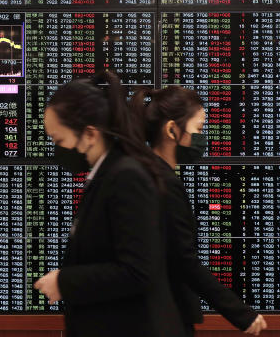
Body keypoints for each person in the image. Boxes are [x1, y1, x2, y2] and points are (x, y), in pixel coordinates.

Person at [34, 71, 184, 337]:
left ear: (90, 134)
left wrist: (64, 282)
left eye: (59, 140)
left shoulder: (126, 176)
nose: (58, 150)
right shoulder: (107, 175)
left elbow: (137, 270)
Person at [130, 85, 268, 336]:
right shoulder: (162, 182)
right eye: (199, 129)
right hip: (163, 319)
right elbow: (183, 260)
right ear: (172, 129)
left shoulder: (149, 173)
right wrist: (240, 312)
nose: (202, 138)